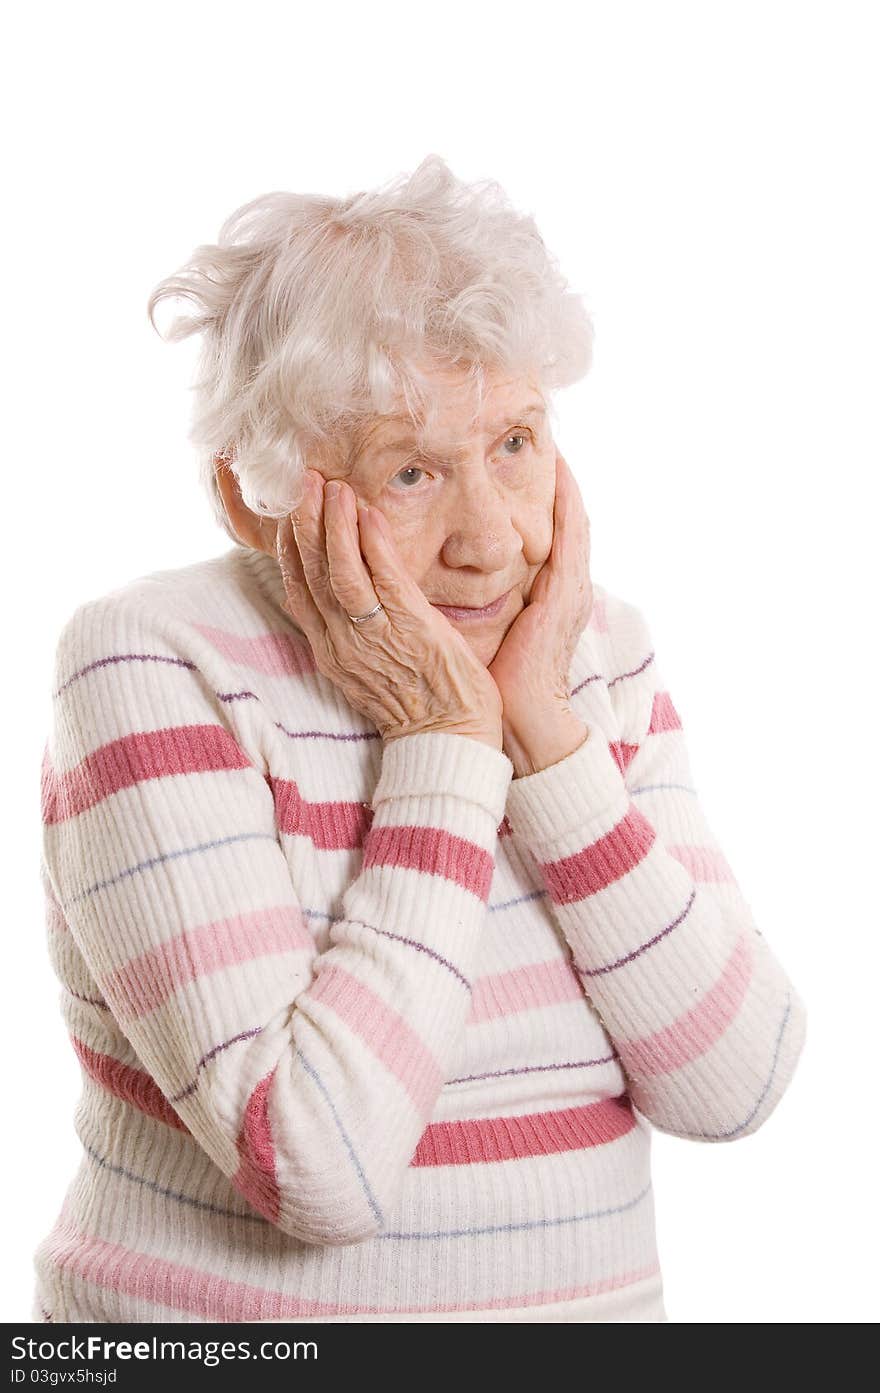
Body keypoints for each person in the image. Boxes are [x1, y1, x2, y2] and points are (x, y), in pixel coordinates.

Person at [32, 154, 807, 1324]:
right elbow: (313, 1161)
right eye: (411, 469)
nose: (491, 541)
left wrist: (546, 737)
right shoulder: (152, 661)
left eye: (515, 443)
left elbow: (734, 1082)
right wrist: (446, 742)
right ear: (260, 499)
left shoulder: (591, 651)